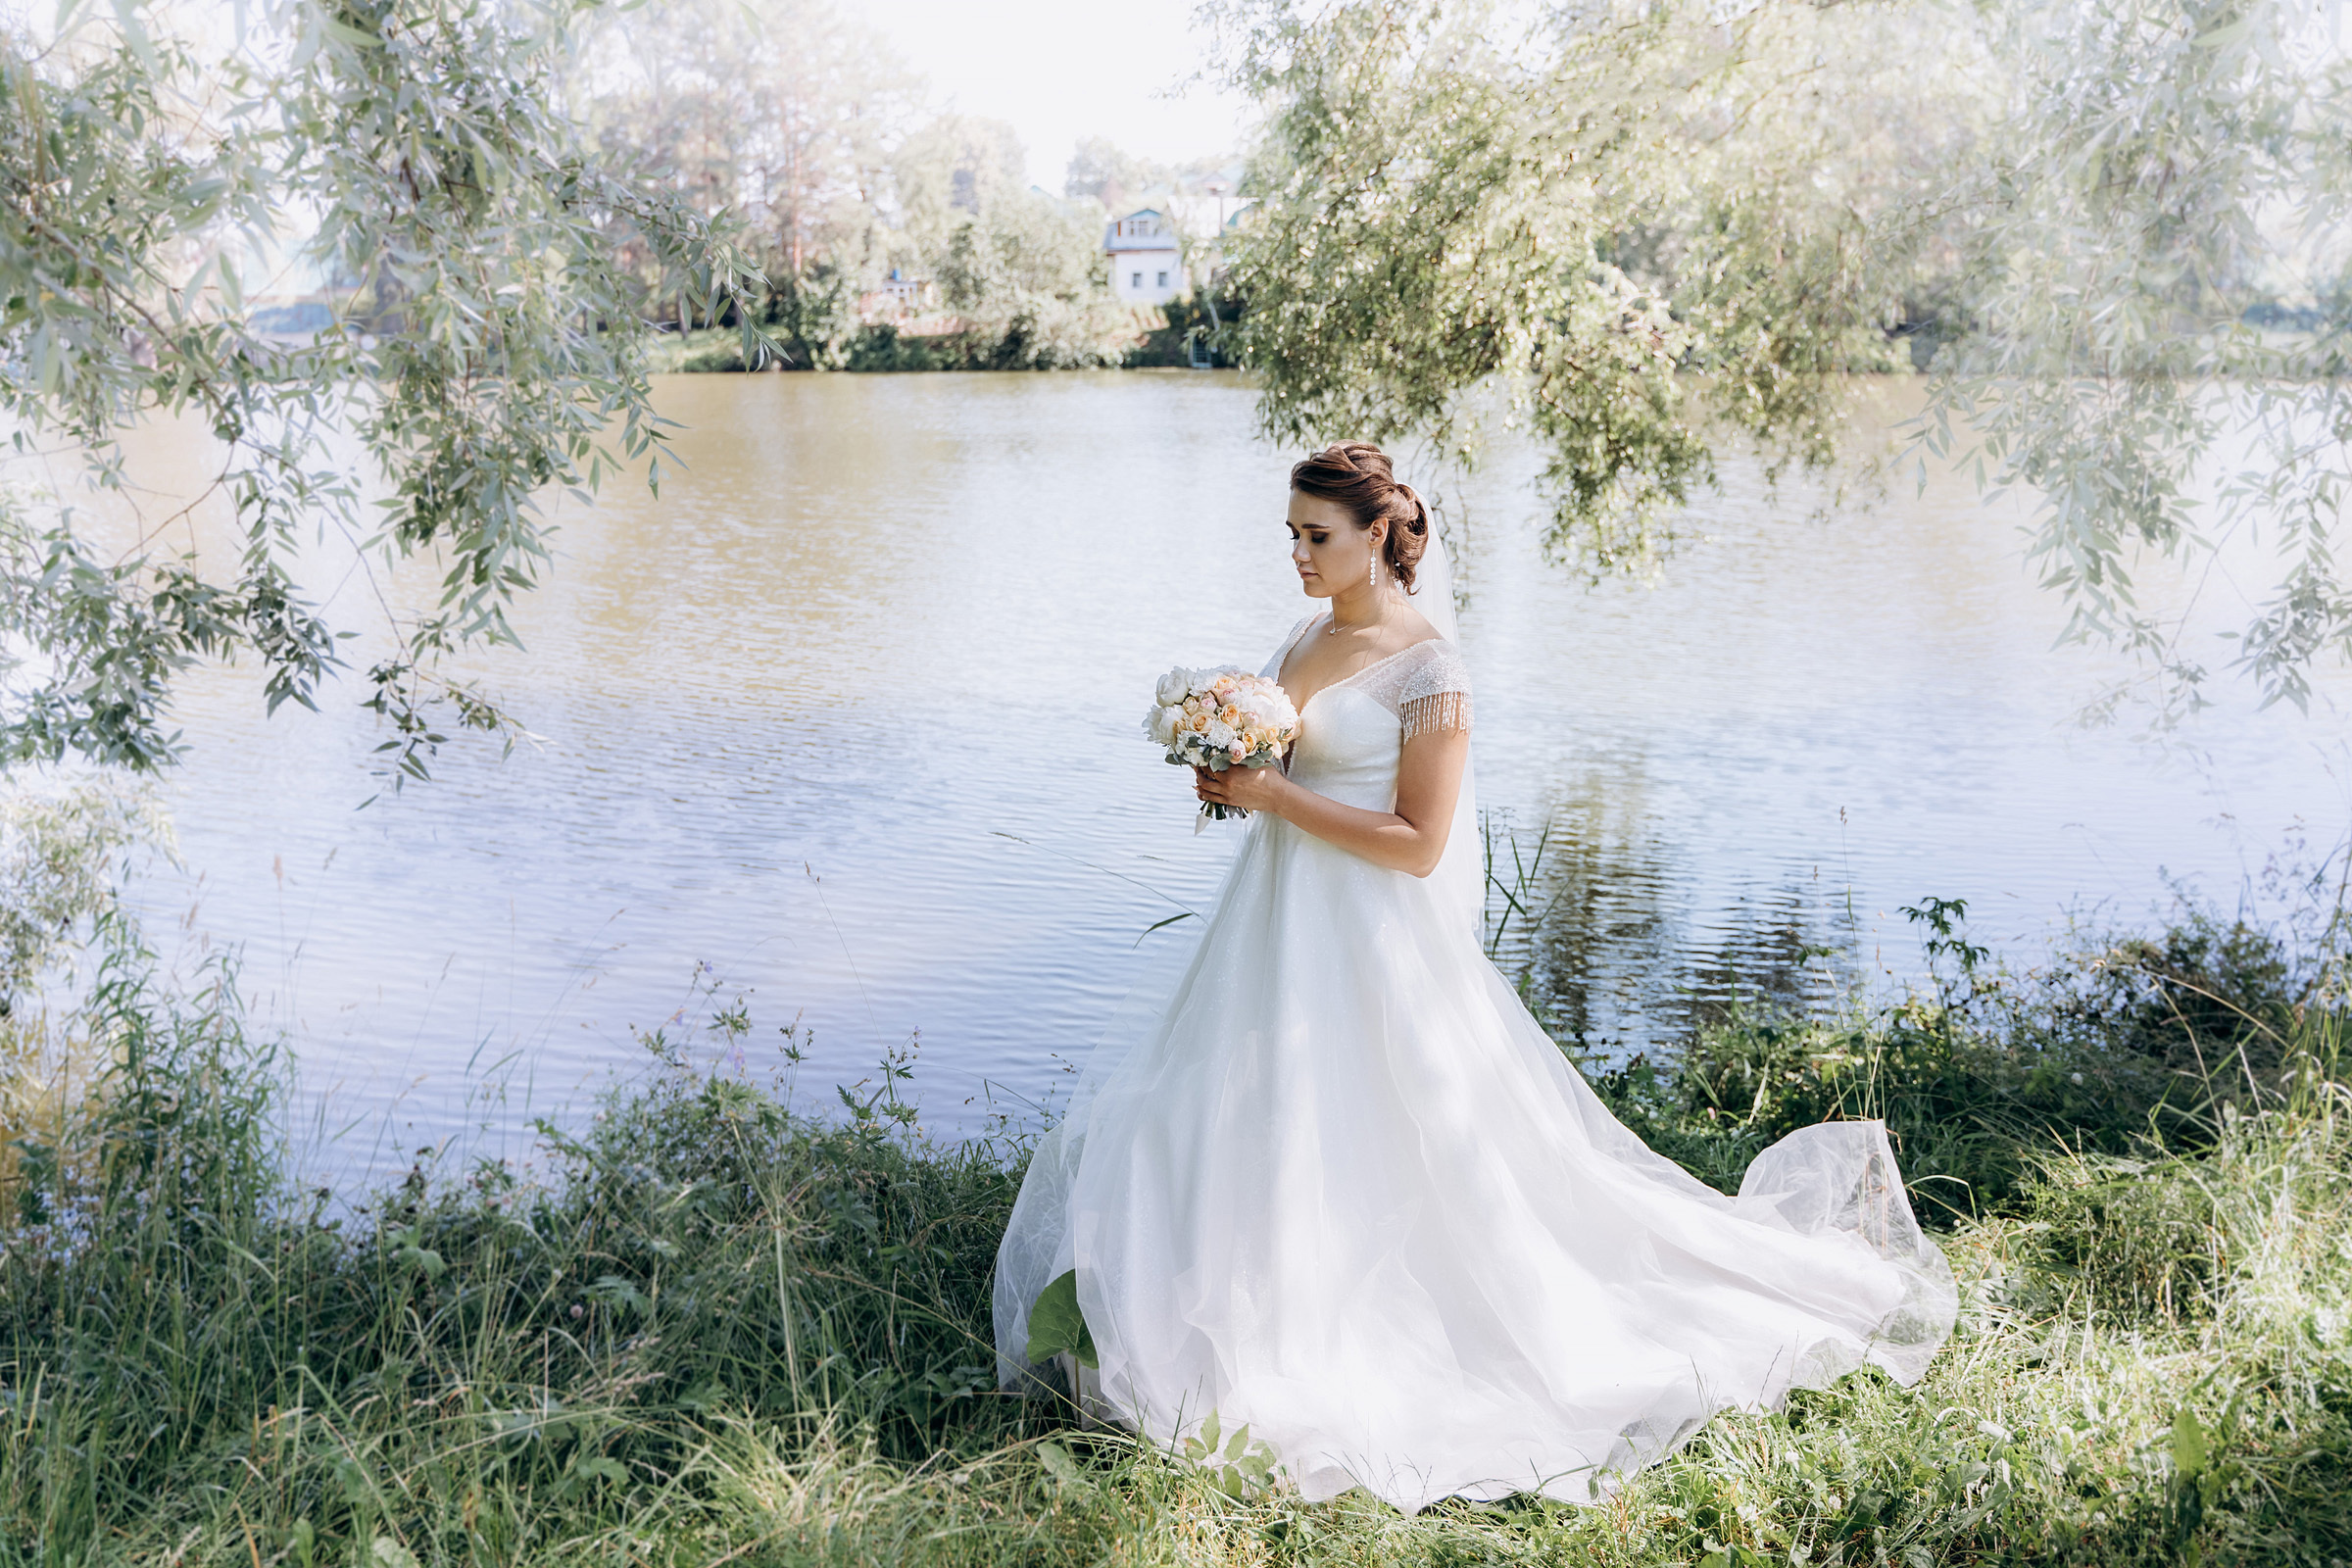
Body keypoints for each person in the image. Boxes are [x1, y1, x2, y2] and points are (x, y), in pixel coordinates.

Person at [994, 440, 1953, 1513]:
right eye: (1292, 535)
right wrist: (1224, 772)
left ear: (1376, 536)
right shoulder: (1305, 635)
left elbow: (1417, 842)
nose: (1300, 555)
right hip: (1275, 923)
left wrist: (1273, 799)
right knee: (1228, 1110)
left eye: (1318, 536)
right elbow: (1287, 767)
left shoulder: (1432, 671)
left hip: (1367, 938)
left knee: (1380, 1133)